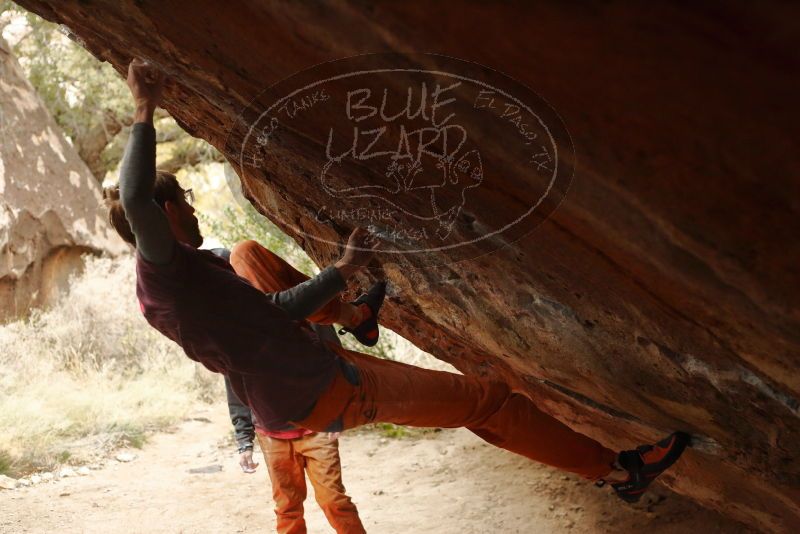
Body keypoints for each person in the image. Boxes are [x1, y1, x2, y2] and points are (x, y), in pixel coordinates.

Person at [106, 58, 689, 506]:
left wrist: (342, 282)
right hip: (325, 391)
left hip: (316, 375)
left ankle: (358, 318)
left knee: (249, 254)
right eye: (179, 201)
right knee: (489, 399)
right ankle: (620, 472)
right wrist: (142, 107)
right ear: (159, 220)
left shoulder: (189, 272)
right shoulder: (167, 276)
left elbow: (271, 310)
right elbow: (140, 199)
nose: (190, 205)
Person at [211, 246, 365, 534]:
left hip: (316, 427)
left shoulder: (291, 306)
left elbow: (333, 353)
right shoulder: (231, 329)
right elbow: (235, 385)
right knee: (287, 508)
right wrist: (244, 440)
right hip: (272, 436)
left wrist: (340, 409)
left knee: (335, 501)